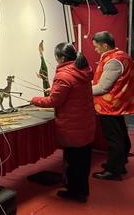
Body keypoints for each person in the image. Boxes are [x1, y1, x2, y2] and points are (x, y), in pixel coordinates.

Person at [31, 43, 95, 202]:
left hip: (72, 126)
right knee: (83, 161)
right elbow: (72, 93)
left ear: (62, 58)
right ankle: (82, 190)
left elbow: (54, 101)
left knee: (73, 162)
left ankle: (75, 193)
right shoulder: (82, 70)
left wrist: (34, 100)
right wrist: (54, 91)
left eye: (56, 57)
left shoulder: (63, 75)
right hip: (85, 124)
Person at [90, 31, 134, 180]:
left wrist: (81, 89)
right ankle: (119, 163)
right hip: (117, 103)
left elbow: (103, 88)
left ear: (105, 45)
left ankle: (113, 171)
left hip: (109, 106)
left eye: (96, 46)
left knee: (114, 138)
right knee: (120, 134)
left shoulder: (113, 60)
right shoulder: (121, 55)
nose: (95, 49)